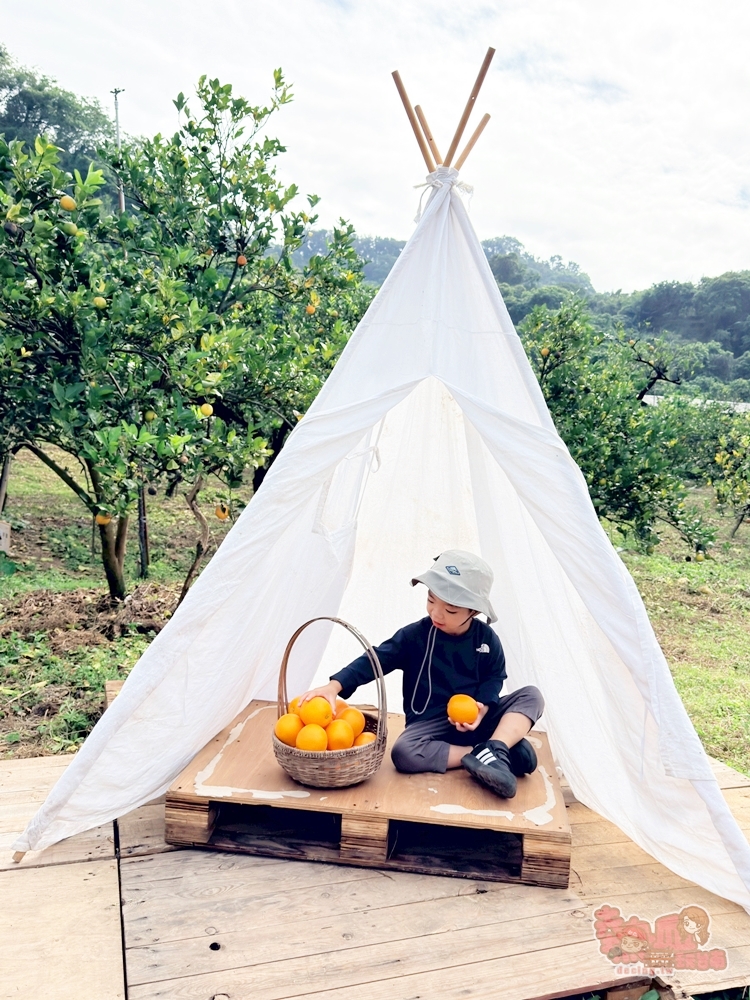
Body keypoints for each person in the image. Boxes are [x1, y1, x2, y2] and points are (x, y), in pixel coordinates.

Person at [298, 549, 544, 798]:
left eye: (450, 610)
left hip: (476, 719)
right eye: (431, 600)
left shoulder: (487, 640)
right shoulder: (414, 636)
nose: (436, 613)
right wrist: (335, 685)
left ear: (474, 611)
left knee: (532, 696)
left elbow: (494, 676)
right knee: (404, 753)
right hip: (431, 725)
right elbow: (376, 659)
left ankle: (497, 746)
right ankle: (484, 752)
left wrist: (483, 707)